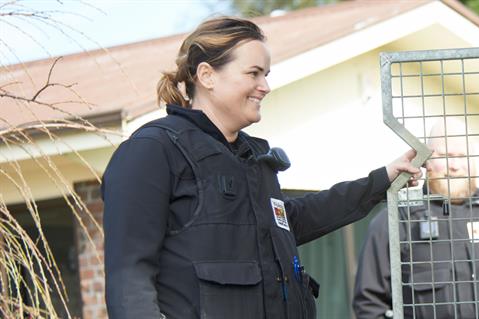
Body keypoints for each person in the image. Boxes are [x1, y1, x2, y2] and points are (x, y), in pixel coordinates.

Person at [102, 17, 421, 319]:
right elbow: (129, 277)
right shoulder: (153, 151)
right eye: (253, 73)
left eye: (266, 74)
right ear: (207, 75)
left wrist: (382, 181)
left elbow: (293, 220)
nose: (265, 86)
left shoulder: (254, 159)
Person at [352, 119, 479, 319]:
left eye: (462, 156)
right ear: (426, 161)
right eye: (445, 156)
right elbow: (369, 305)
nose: (455, 166)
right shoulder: (398, 220)